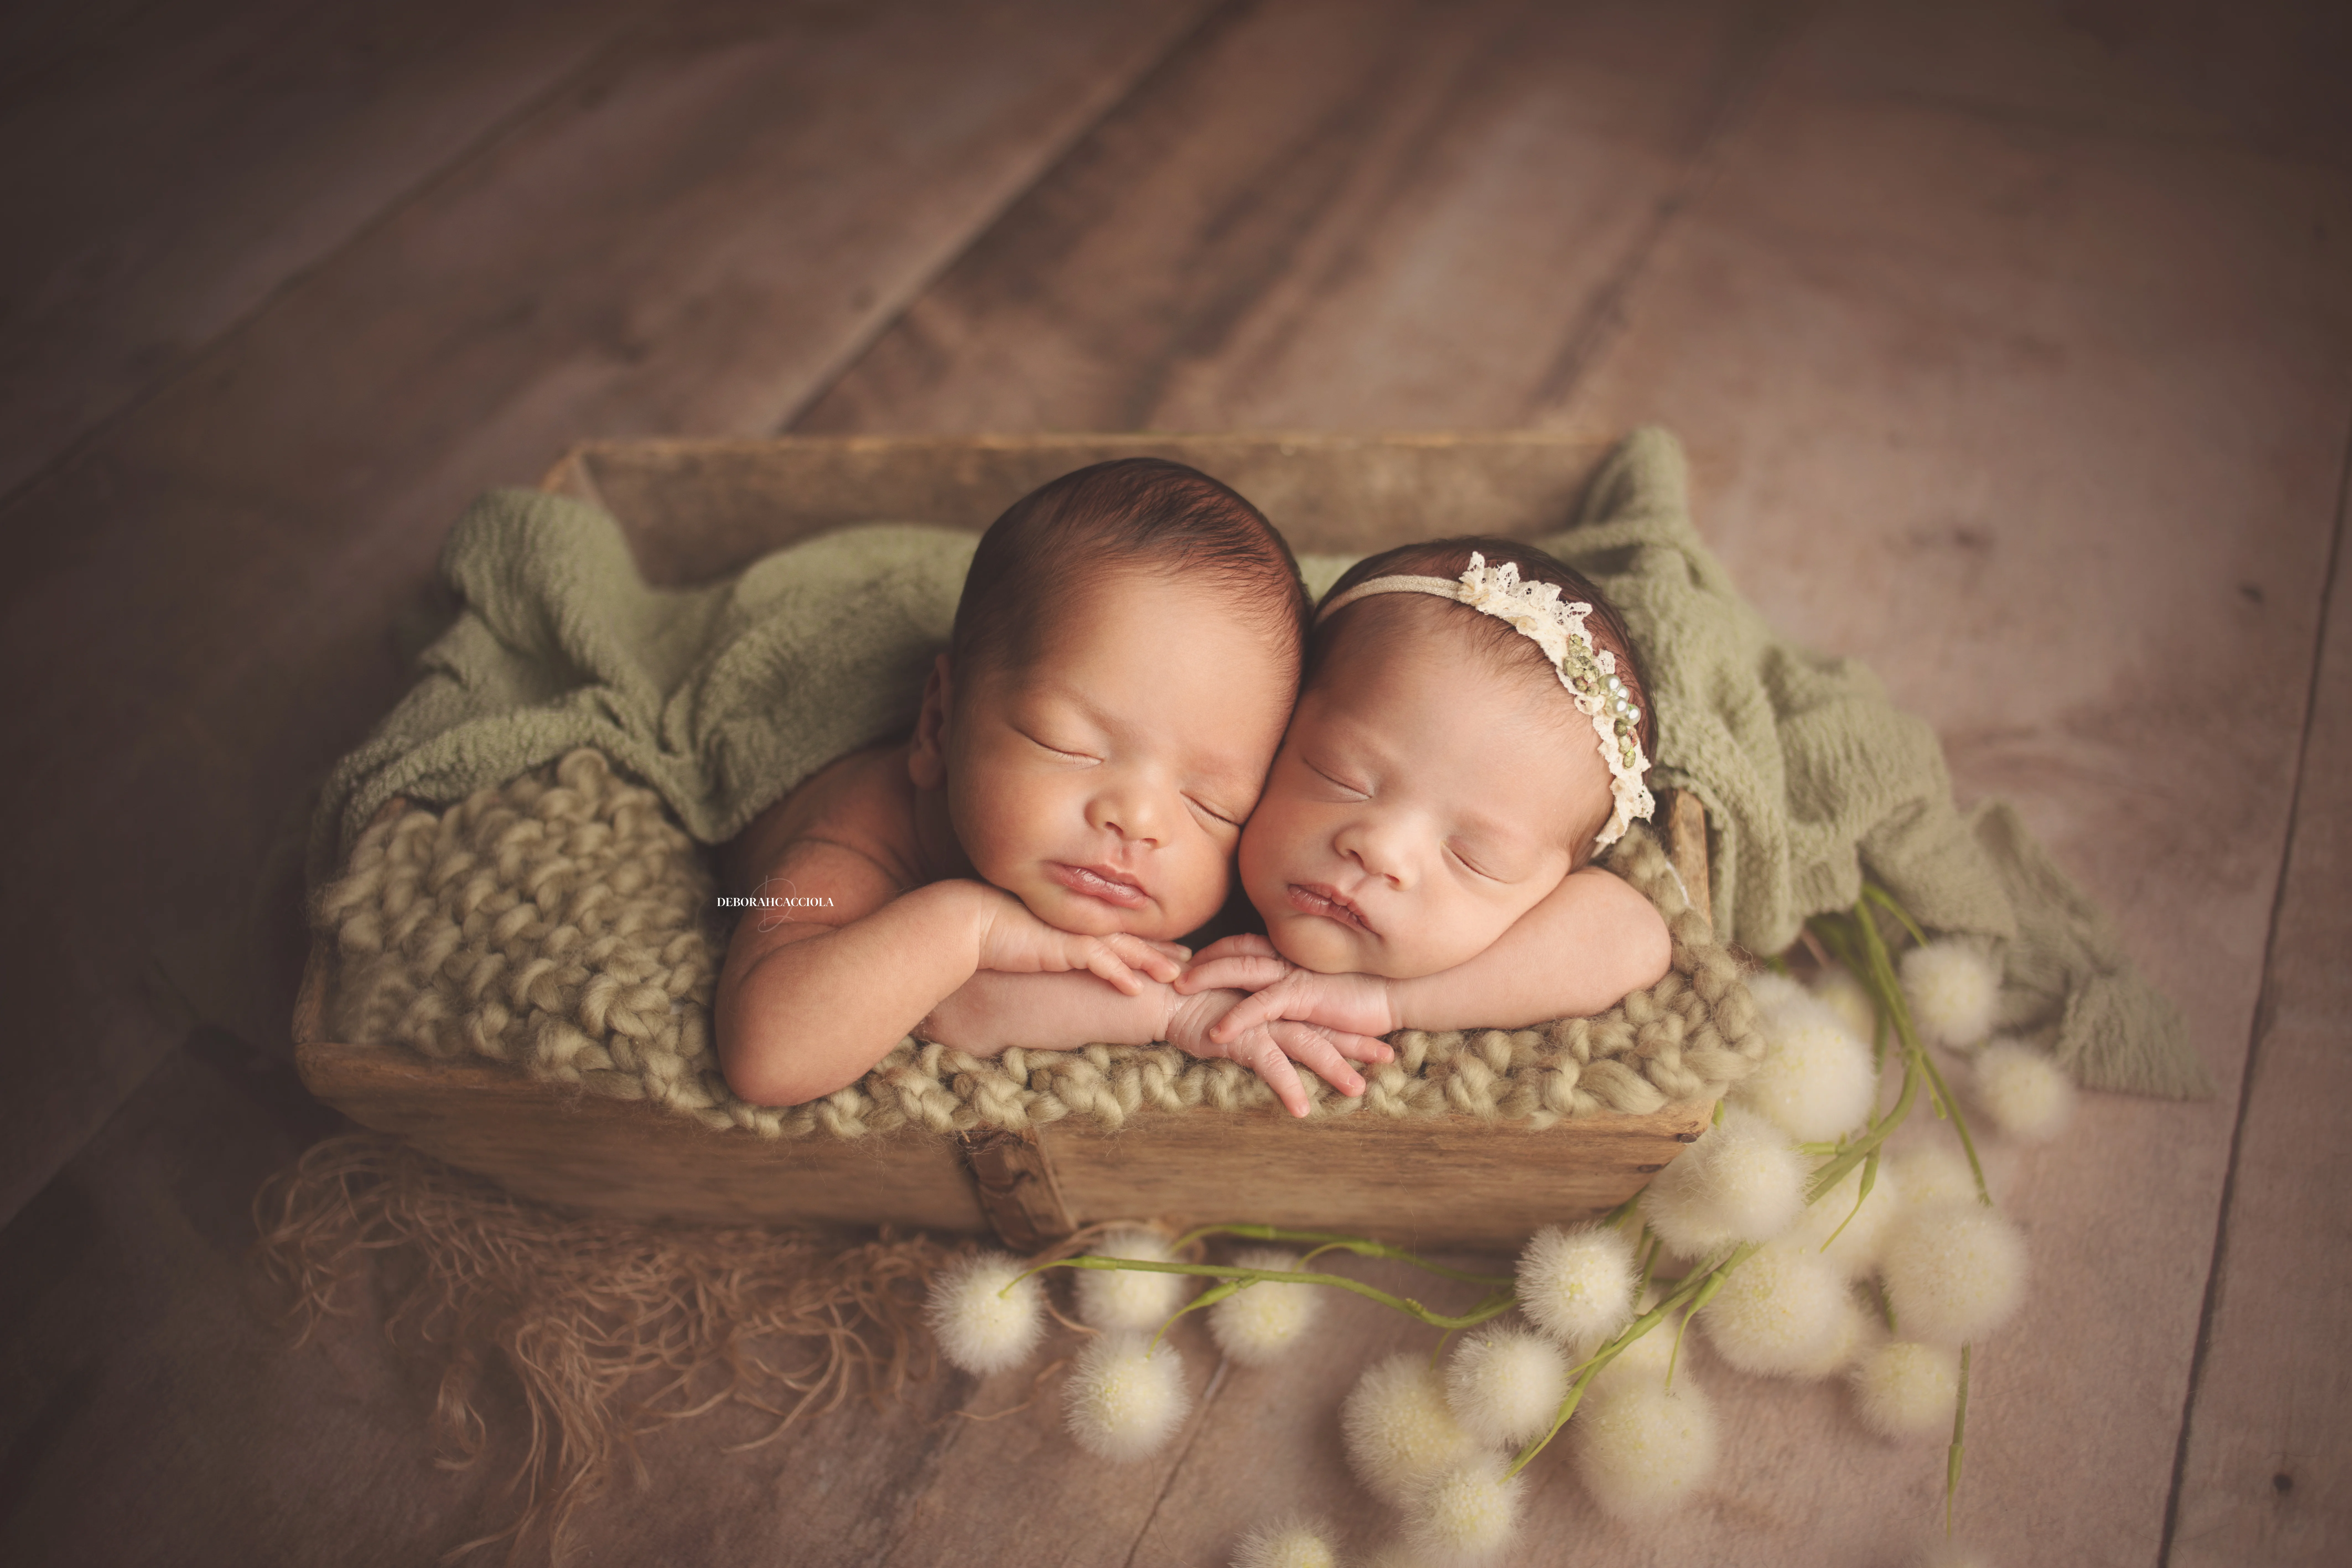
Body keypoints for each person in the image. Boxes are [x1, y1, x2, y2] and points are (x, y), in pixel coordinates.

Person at [714, 458, 1392, 1114]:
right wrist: (968, 927)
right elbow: (766, 1055)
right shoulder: (856, 840)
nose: (1140, 820)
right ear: (937, 725)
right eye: (1068, 747)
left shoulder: (1237, 855)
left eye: (1212, 802)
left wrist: (1188, 1002)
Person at [1172, 538, 1674, 1071]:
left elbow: (1632, 938)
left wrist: (1388, 1001)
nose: (1381, 851)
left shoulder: (1514, 950)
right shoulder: (1164, 849)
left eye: (1472, 858)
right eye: (1341, 779)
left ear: (1549, 893)